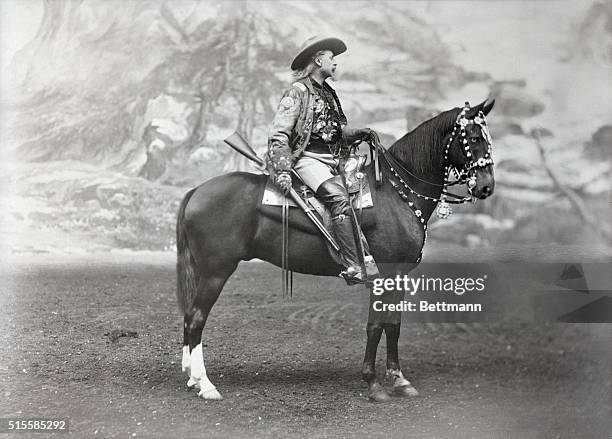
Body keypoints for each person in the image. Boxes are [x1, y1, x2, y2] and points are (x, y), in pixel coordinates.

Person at [267, 36, 372, 284]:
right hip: (307, 159)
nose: (335, 64)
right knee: (339, 199)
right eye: (331, 59)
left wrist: (362, 133)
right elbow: (279, 133)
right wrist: (282, 170)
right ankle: (355, 265)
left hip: (334, 160)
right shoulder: (298, 91)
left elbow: (337, 131)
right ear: (318, 60)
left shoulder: (329, 94)